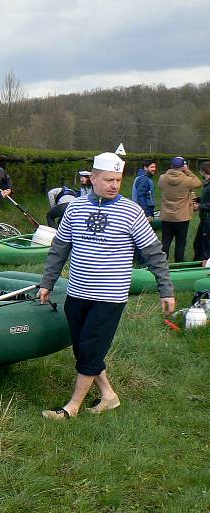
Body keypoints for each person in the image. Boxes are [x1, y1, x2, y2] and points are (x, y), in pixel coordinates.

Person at [38, 151, 175, 421]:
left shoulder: (131, 211)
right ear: (93, 178)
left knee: (90, 348)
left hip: (109, 297)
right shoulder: (75, 208)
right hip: (76, 293)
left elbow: (154, 252)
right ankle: (109, 396)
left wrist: (166, 289)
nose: (115, 185)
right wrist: (47, 282)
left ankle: (71, 408)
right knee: (83, 349)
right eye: (109, 179)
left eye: (119, 179)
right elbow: (59, 248)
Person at [158, 156, 202, 262]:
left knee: (165, 242)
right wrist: (187, 171)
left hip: (166, 216)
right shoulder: (187, 180)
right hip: (182, 217)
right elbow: (199, 182)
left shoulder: (162, 178)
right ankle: (179, 263)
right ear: (183, 166)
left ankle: (162, 263)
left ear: (171, 166)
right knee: (180, 243)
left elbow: (160, 186)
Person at [192, 161, 210, 261]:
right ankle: (197, 264)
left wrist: (199, 207)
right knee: (197, 243)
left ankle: (206, 268)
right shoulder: (207, 183)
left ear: (203, 171)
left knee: (206, 246)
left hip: (208, 219)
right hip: (204, 219)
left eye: (200, 171)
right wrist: (196, 199)